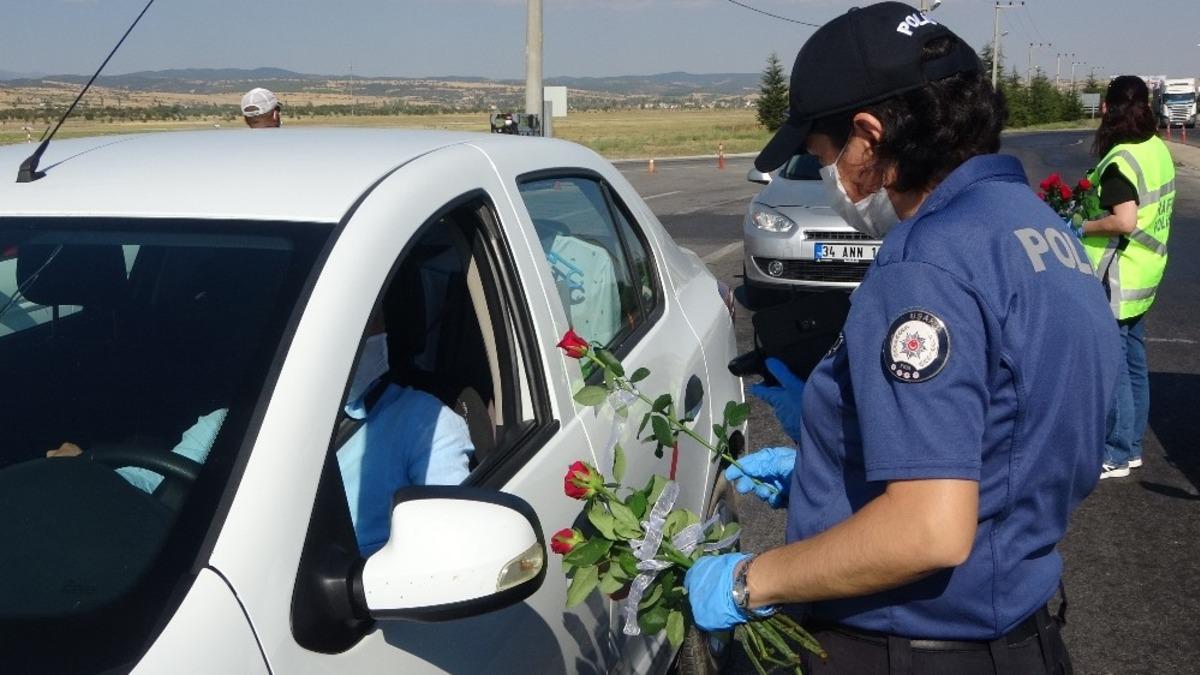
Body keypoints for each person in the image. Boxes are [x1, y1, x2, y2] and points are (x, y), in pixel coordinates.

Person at [683, 4, 1119, 673]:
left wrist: (753, 579)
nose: (825, 174)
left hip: (909, 645)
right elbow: (1009, 439)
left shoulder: (927, 263)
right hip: (1020, 633)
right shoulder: (1038, 229)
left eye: (821, 156)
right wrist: (833, 477)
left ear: (869, 135)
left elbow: (928, 529)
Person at [1078, 76, 1176, 480]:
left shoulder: (1121, 160)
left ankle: (1116, 452)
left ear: (1108, 109)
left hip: (1120, 273)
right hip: (1147, 268)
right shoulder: (1156, 148)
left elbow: (1124, 219)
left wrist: (1081, 226)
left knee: (1115, 364)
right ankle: (1131, 445)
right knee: (1135, 360)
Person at [335, 305, 474, 556]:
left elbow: (450, 541)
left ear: (388, 329)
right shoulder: (261, 417)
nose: (350, 336)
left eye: (369, 320)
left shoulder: (427, 422)